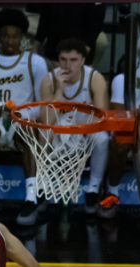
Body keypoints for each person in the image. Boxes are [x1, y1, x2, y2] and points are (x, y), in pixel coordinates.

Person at [0, 8, 48, 224]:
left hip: (21, 124)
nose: (10, 41)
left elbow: (42, 104)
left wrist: (21, 113)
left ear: (22, 37)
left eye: (15, 36)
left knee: (32, 126)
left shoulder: (35, 62)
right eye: (5, 35)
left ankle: (31, 198)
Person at [38, 38, 108, 214]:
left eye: (73, 60)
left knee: (102, 138)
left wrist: (79, 127)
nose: (67, 65)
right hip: (59, 130)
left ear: (83, 61)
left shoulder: (95, 79)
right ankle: (44, 186)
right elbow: (46, 121)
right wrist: (59, 93)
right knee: (43, 133)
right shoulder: (49, 81)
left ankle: (93, 190)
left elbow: (102, 118)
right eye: (63, 60)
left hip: (87, 129)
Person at [101, 52, 140, 219]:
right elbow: (118, 119)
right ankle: (113, 193)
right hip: (130, 130)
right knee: (119, 140)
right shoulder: (122, 79)